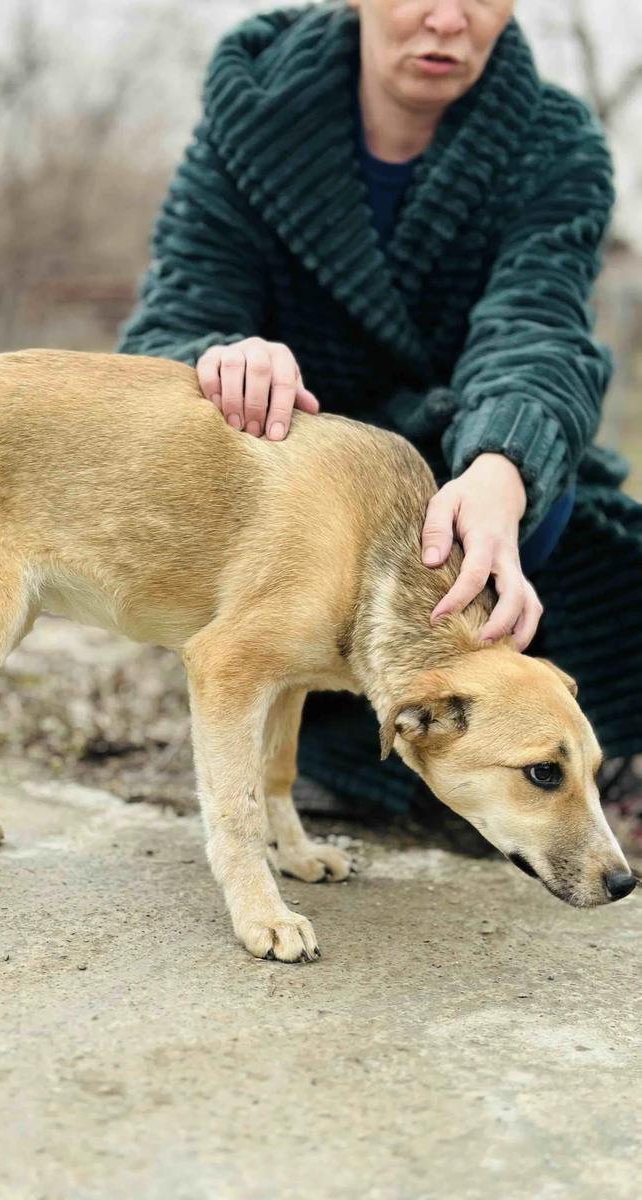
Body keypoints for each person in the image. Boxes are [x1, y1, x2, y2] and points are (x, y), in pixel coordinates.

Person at [116, 0, 642, 828]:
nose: (448, 18)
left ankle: (520, 736)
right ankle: (334, 737)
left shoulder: (554, 143)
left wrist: (502, 466)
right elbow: (171, 321)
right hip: (298, 470)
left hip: (459, 458)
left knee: (547, 523)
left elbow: (537, 329)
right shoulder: (252, 118)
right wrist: (225, 353)